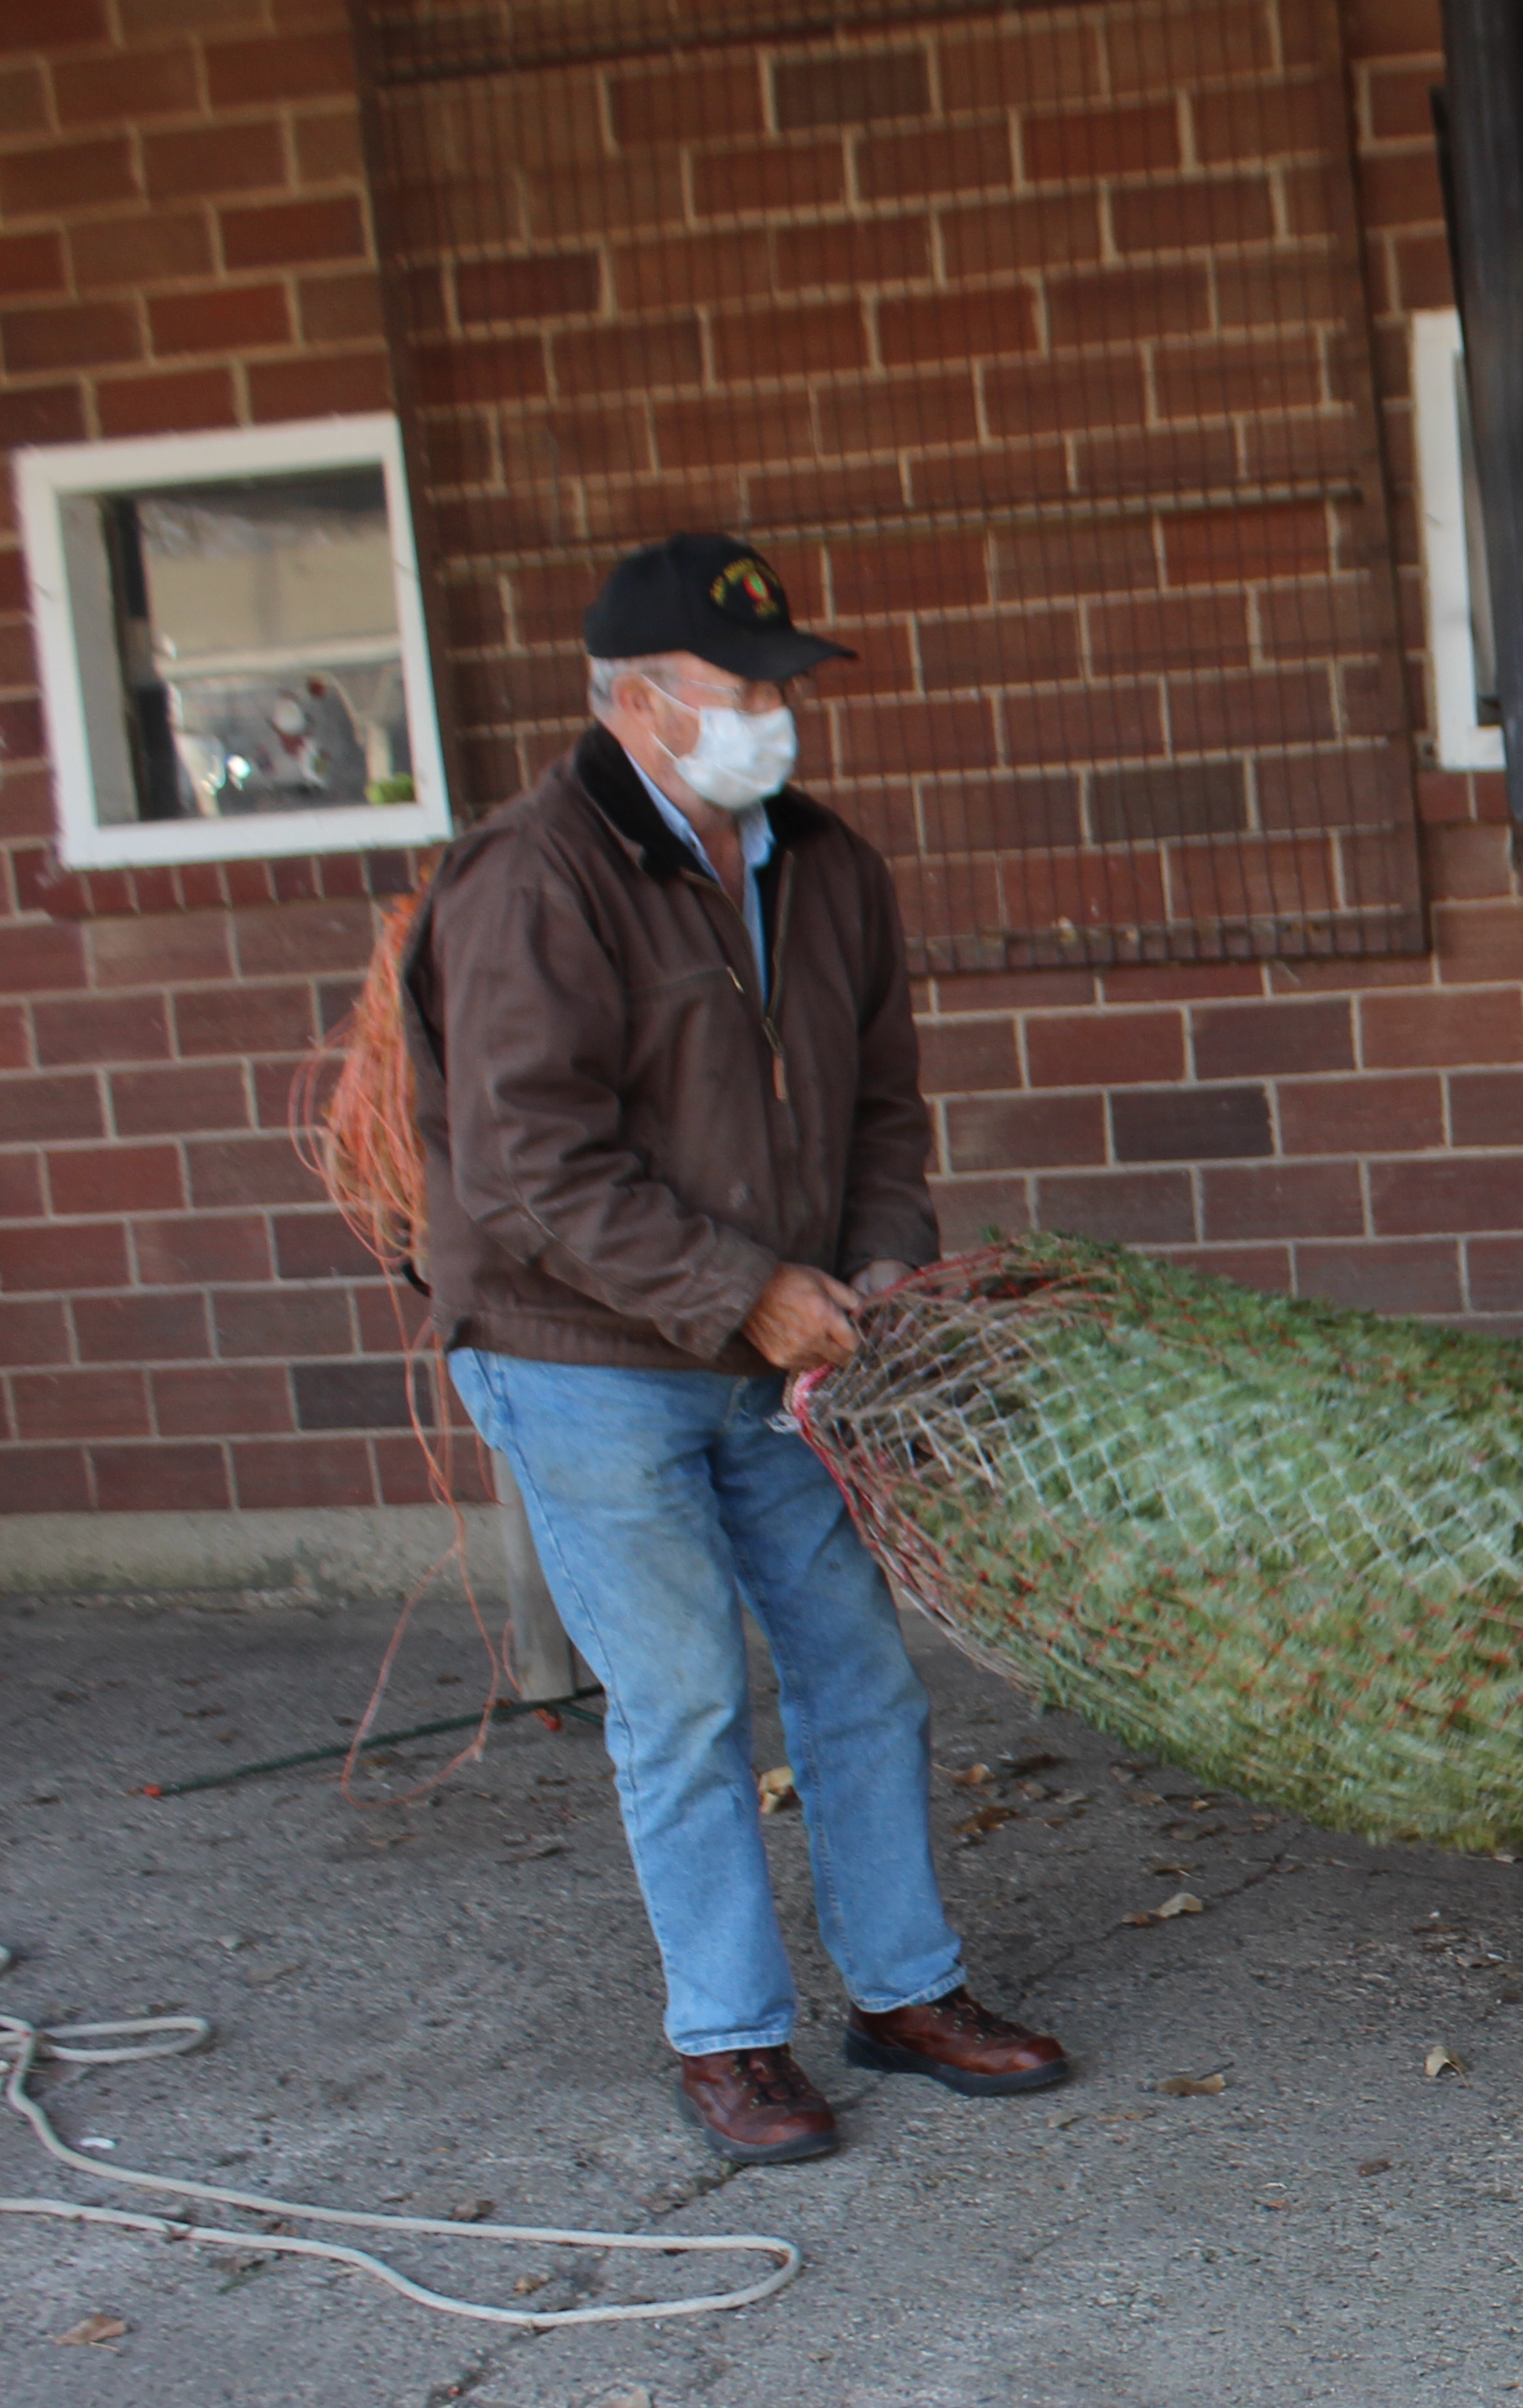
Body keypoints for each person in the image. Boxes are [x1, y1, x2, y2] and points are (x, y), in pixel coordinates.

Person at [403, 533, 1068, 2164]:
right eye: (741, 689)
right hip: (583, 1355)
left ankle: (904, 1992)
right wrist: (741, 1290)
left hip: (774, 1353)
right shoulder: (533, 874)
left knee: (857, 1669)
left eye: (785, 684)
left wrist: (880, 1268)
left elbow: (882, 1109)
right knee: (689, 1697)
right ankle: (731, 2037)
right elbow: (530, 1166)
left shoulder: (828, 867)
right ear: (638, 703)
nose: (777, 713)